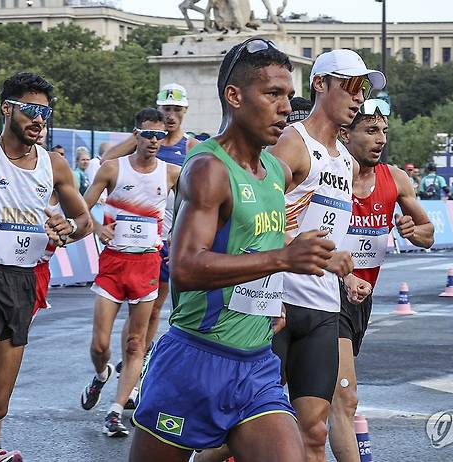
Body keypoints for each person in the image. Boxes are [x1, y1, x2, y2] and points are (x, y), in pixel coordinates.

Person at [129, 37, 335, 462]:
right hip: (195, 360)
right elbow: (185, 266)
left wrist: (275, 292)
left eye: (289, 96)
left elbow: (260, 241)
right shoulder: (208, 169)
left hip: (256, 364)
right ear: (235, 96)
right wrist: (283, 259)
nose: (285, 108)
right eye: (273, 94)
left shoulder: (275, 170)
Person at [270, 48, 385, 461]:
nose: (358, 97)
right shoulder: (292, 144)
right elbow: (258, 224)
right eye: (351, 86)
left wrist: (345, 273)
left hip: (322, 307)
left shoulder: (347, 163)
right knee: (244, 424)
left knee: (316, 431)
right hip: (277, 301)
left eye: (363, 89)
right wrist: (310, 255)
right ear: (320, 84)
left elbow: (326, 234)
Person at [0, 72, 92, 461]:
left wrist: (67, 229)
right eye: (30, 110)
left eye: (45, 111)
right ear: (7, 109)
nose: (39, 119)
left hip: (23, 282)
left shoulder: (55, 166)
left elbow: (84, 221)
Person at [328, 98, 435, 461]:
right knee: (345, 397)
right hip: (325, 291)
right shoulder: (330, 176)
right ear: (345, 134)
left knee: (302, 400)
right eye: (371, 131)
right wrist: (343, 275)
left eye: (384, 132)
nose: (380, 140)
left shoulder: (396, 179)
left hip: (362, 298)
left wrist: (411, 230)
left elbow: (427, 232)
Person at [80, 108, 181, 437]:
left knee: (136, 343)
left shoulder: (170, 173)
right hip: (113, 264)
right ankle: (100, 375)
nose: (154, 141)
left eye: (160, 136)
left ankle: (115, 411)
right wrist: (96, 226)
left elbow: (200, 203)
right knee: (100, 345)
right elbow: (80, 206)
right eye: (148, 135)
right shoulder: (112, 168)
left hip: (147, 264)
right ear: (136, 134)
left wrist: (178, 240)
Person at [103, 83, 199, 392]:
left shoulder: (190, 147)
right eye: (166, 110)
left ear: (185, 112)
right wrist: (137, 135)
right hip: (138, 241)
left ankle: (140, 365)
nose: (171, 117)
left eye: (176, 111)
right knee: (137, 309)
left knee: (158, 309)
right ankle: (130, 372)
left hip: (174, 240)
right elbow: (106, 159)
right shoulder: (144, 142)